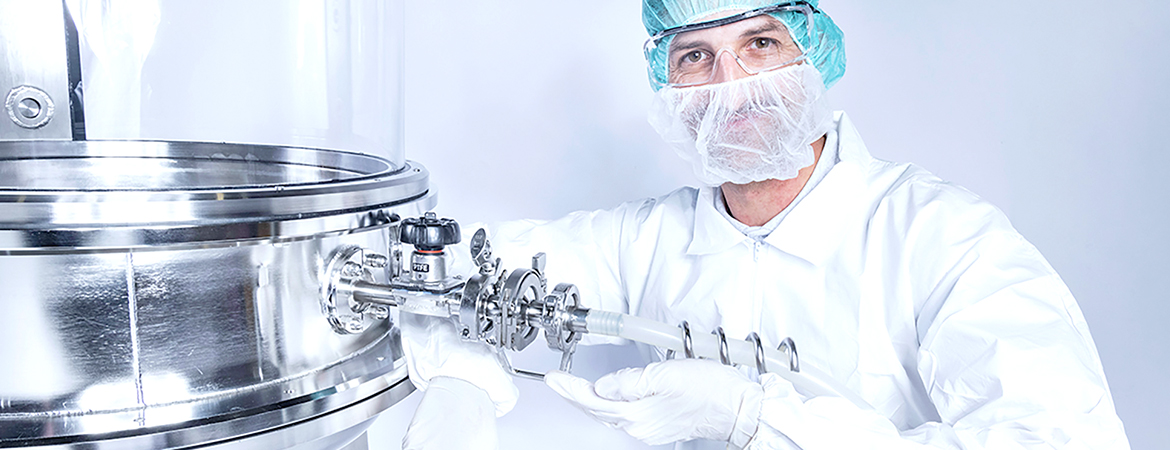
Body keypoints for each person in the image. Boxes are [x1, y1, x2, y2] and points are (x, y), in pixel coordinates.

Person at [401, 1, 1130, 449]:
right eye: (695, 56)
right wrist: (458, 390)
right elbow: (448, 282)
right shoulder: (650, 242)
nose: (731, 87)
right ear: (664, 83)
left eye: (760, 44)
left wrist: (757, 421)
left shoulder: (941, 238)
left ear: (815, 53)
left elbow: (1059, 440)